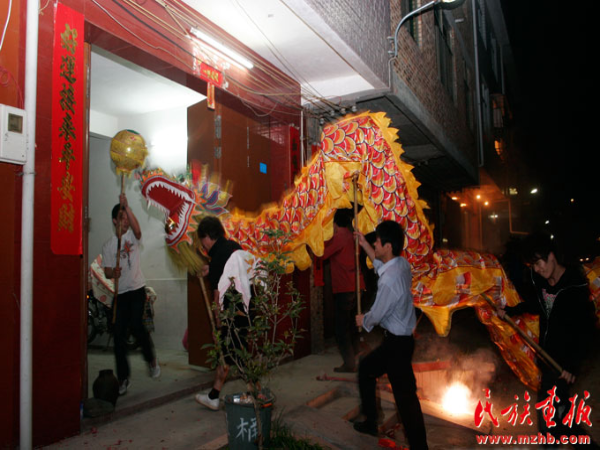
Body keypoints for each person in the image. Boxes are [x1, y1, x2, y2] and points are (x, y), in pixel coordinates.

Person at [500, 233, 597, 447]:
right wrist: (511, 311)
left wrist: (571, 366)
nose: (536, 269)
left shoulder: (574, 287)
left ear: (551, 256)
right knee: (561, 419)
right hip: (548, 359)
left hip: (563, 363)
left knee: (550, 418)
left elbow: (585, 331)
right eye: (532, 265)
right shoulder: (544, 283)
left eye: (538, 263)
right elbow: (538, 305)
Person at [353, 220, 428, 449]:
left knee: (405, 399)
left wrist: (363, 319)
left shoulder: (389, 280)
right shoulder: (400, 264)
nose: (375, 244)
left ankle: (419, 446)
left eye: (376, 241)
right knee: (366, 369)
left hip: (397, 345)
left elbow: (377, 314)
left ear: (387, 246)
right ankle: (371, 421)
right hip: (397, 342)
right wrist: (364, 243)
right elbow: (379, 265)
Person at [102, 193, 160, 396]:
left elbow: (138, 230)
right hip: (121, 294)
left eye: (127, 217)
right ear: (114, 221)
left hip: (136, 290)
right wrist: (114, 273)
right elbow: (107, 272)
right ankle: (123, 378)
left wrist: (127, 207)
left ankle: (151, 359)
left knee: (136, 325)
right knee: (118, 335)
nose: (125, 221)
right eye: (122, 217)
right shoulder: (109, 246)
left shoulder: (132, 238)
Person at [194, 216, 245, 411]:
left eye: (202, 240)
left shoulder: (217, 259)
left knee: (232, 356)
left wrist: (218, 324)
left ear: (208, 237)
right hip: (246, 309)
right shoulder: (234, 247)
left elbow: (218, 297)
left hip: (230, 315)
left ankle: (258, 394)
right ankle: (214, 395)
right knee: (232, 355)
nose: (203, 245)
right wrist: (211, 269)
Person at [321, 209, 364, 372]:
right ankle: (357, 356)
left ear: (335, 224)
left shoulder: (340, 237)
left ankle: (349, 363)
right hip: (356, 285)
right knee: (352, 325)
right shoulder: (352, 235)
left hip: (345, 286)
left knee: (341, 328)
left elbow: (322, 254)